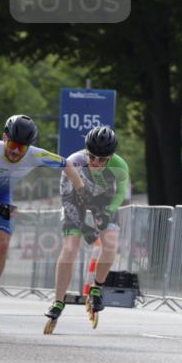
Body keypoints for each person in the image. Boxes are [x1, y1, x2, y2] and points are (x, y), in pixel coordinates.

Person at [0, 115, 84, 338]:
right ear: (4, 138)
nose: (16, 152)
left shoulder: (35, 156)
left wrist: (81, 191)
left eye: (22, 148)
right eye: (13, 145)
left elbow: (66, 164)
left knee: (1, 244)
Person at [44, 126, 129, 333]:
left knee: (111, 246)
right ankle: (58, 301)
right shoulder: (75, 162)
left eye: (102, 159)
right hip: (76, 200)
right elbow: (67, 200)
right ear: (86, 151)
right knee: (70, 247)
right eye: (92, 157)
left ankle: (96, 288)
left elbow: (121, 194)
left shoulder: (120, 165)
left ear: (111, 157)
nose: (96, 163)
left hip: (103, 202)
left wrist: (108, 211)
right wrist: (84, 227)